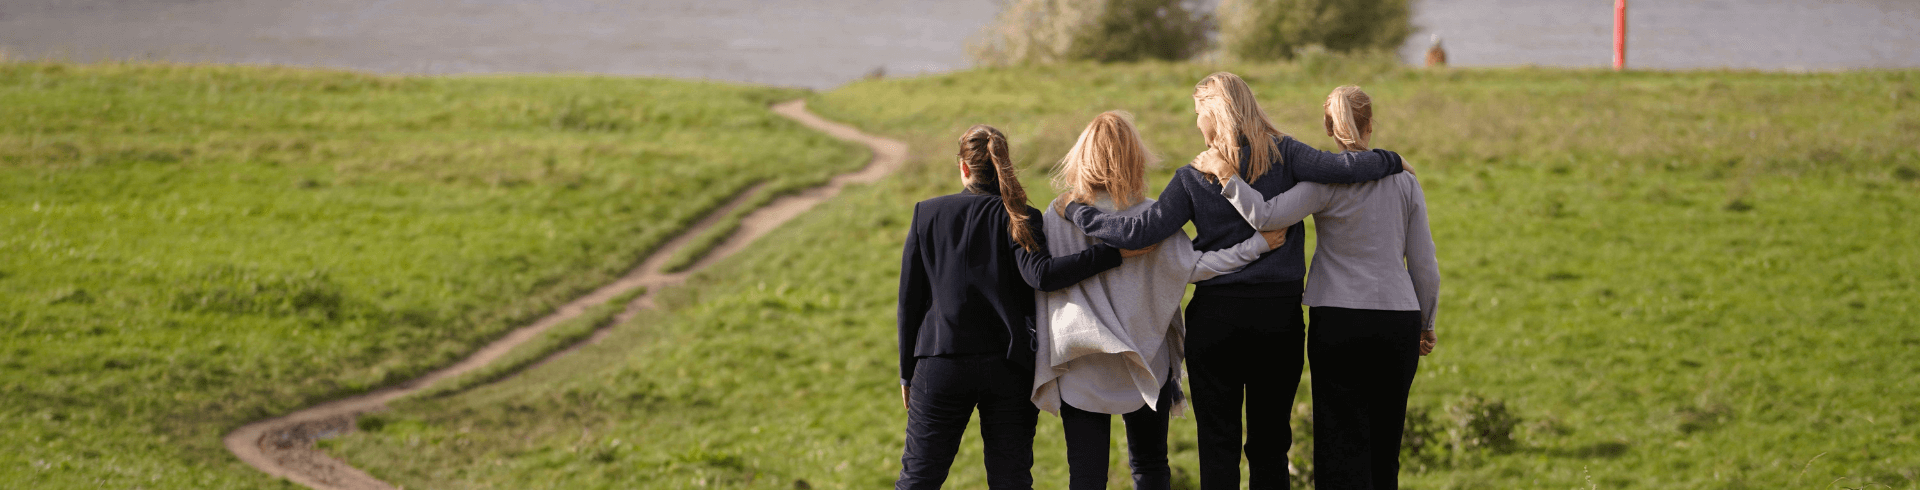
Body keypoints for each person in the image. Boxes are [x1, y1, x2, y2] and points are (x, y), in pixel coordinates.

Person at [1061, 72, 1408, 490]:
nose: (1196, 123)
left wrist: (1077, 212)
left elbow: (1139, 232)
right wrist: (1392, 160)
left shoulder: (1192, 176)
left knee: (1217, 446)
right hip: (1278, 319)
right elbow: (1343, 167)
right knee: (1271, 446)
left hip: (1216, 321)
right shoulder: (1287, 154)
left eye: (1198, 113)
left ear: (1215, 113)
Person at [1194, 85, 1440, 490]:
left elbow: (1265, 216)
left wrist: (1226, 175)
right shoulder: (1406, 183)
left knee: (1338, 442)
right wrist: (1426, 322)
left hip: (1337, 319)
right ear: (1371, 124)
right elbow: (1424, 264)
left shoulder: (1323, 184)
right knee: (1386, 444)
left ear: (1328, 127)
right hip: (1398, 320)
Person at [1032, 111, 1286, 490]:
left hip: (1080, 362)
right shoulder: (1153, 215)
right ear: (1135, 158)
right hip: (1147, 359)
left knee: (1085, 475)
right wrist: (1257, 245)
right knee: (1150, 467)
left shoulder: (1056, 215)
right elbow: (1195, 267)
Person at [896, 124, 1147, 490]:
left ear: (964, 167)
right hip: (1010, 368)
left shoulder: (927, 214)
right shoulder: (1022, 215)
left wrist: (906, 373)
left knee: (918, 479)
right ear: (1005, 165)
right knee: (1011, 480)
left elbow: (909, 301)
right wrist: (1112, 254)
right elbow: (1043, 275)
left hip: (940, 363)